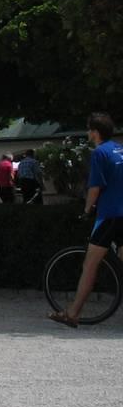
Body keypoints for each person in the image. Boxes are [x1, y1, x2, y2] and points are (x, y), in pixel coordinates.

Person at [50, 113, 123, 327]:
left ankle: (73, 313)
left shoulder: (100, 153)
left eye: (89, 129)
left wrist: (87, 209)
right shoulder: (120, 149)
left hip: (110, 214)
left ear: (95, 131)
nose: (88, 133)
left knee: (90, 264)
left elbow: (95, 187)